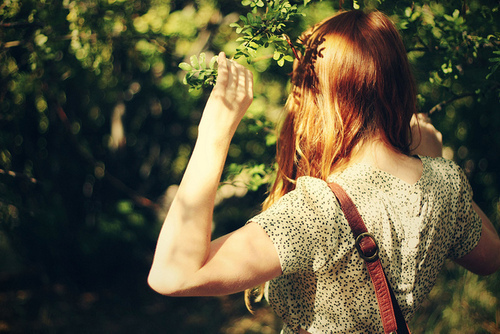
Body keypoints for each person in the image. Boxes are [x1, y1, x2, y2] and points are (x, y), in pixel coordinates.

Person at [148, 10, 500, 333]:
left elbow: (172, 274)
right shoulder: (444, 182)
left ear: (319, 98)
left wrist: (214, 131)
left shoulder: (319, 211)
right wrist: (429, 156)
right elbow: (490, 257)